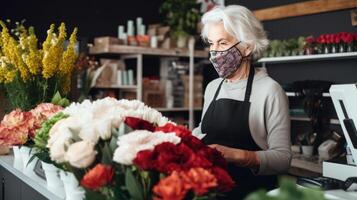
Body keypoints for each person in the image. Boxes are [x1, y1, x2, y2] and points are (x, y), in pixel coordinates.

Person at [193, 5, 292, 199]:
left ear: (247, 46)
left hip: (253, 193)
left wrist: (238, 155)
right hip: (213, 191)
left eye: (222, 43)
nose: (214, 52)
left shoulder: (270, 90)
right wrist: (188, 138)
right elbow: (204, 131)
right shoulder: (213, 87)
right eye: (211, 44)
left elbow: (283, 159)